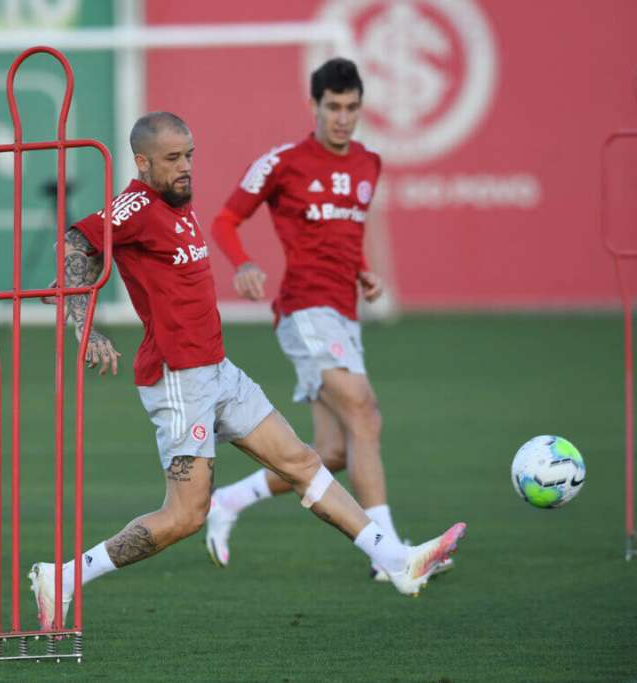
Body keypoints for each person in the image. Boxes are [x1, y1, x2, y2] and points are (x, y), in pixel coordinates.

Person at [28, 110, 465, 630]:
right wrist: (83, 323)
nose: (186, 167)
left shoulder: (175, 199)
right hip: (178, 377)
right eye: (172, 159)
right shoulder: (134, 207)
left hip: (218, 369)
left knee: (302, 461)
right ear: (142, 162)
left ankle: (396, 560)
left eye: (189, 154)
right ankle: (64, 578)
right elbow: (72, 246)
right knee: (186, 516)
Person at [202, 58, 446, 582]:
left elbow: (345, 237)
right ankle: (390, 557)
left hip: (343, 315)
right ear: (313, 106)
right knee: (365, 410)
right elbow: (224, 219)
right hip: (304, 310)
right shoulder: (283, 161)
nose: (342, 117)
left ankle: (229, 501)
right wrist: (243, 262)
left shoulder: (368, 164)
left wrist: (364, 273)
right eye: (332, 107)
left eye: (351, 107)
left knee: (332, 451)